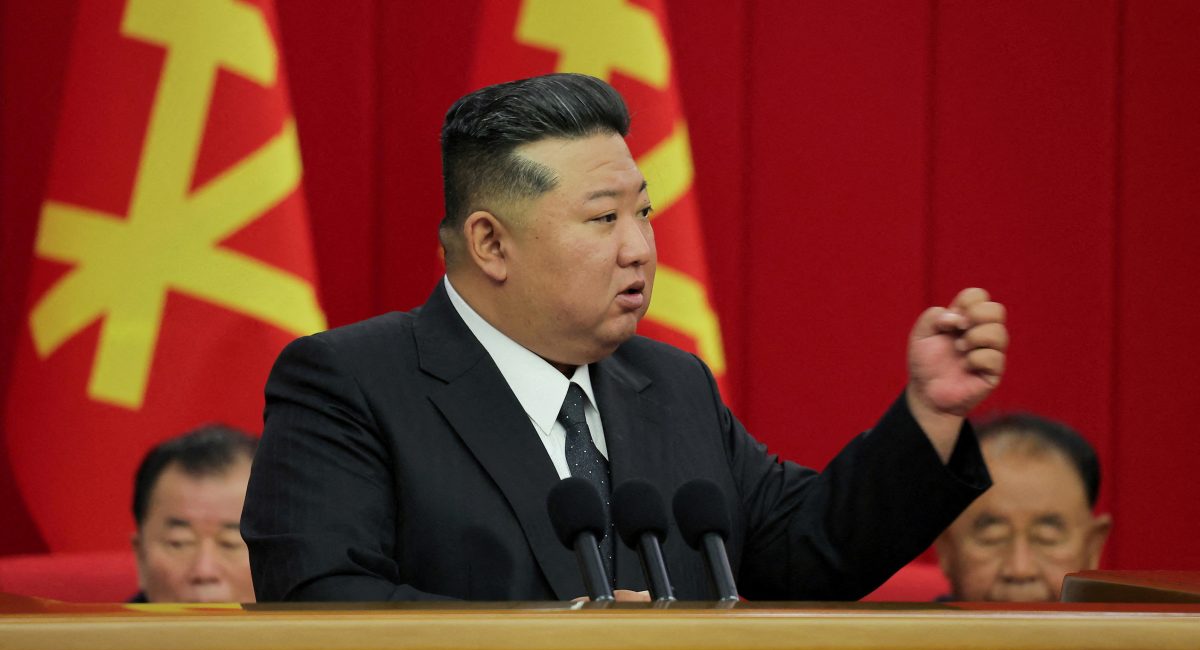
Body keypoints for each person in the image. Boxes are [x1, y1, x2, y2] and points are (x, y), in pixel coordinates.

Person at [242, 73, 1008, 602]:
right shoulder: (349, 383)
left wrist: (929, 413)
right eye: (604, 218)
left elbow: (805, 551)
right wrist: (564, 642)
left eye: (644, 213)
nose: (639, 247)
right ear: (491, 244)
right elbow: (324, 602)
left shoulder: (671, 383)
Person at [935, 414, 1111, 602]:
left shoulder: (1133, 632)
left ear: (1092, 547)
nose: (1020, 569)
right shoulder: (907, 633)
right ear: (946, 548)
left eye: (1046, 538)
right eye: (993, 537)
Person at [130, 424, 257, 603]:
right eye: (179, 543)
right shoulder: (98, 631)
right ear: (141, 557)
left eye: (231, 543)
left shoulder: (307, 629)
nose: (204, 572)